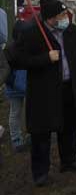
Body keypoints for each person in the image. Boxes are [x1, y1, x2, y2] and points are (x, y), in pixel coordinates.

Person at [4, 0, 76, 187]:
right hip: (44, 92)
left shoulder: (70, 30)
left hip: (68, 87)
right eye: (61, 14)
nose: (65, 17)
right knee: (41, 133)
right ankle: (40, 172)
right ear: (51, 18)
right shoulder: (33, 33)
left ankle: (69, 160)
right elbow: (16, 59)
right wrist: (45, 58)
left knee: (68, 126)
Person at [4, 21, 29, 152]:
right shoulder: (24, 48)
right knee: (18, 112)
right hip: (19, 85)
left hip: (15, 86)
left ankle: (17, 139)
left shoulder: (9, 49)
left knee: (16, 112)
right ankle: (18, 138)